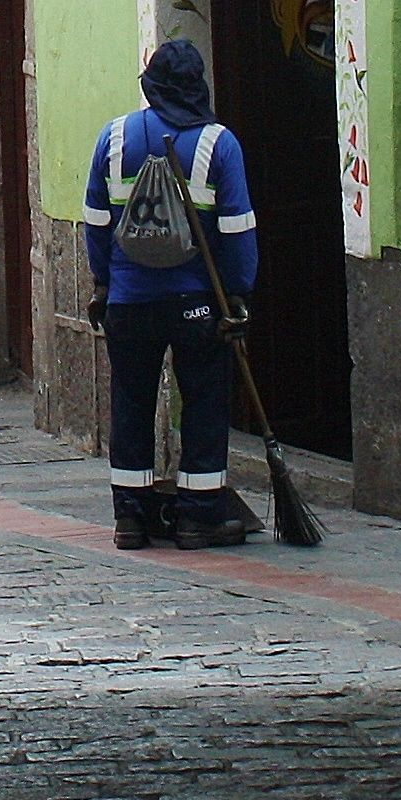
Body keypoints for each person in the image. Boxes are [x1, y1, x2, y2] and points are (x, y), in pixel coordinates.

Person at [80, 38, 261, 551]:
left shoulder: (113, 139)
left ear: (150, 85)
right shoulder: (218, 145)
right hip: (196, 304)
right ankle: (198, 517)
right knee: (204, 402)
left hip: (129, 302)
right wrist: (237, 296)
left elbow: (96, 221)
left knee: (130, 401)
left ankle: (131, 519)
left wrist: (103, 282)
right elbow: (236, 229)